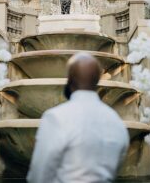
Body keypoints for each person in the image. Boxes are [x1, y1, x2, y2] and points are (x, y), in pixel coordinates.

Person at [27, 52, 129, 183]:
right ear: (98, 79)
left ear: (70, 78)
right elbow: (117, 165)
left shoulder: (56, 117)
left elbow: (39, 175)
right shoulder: (116, 121)